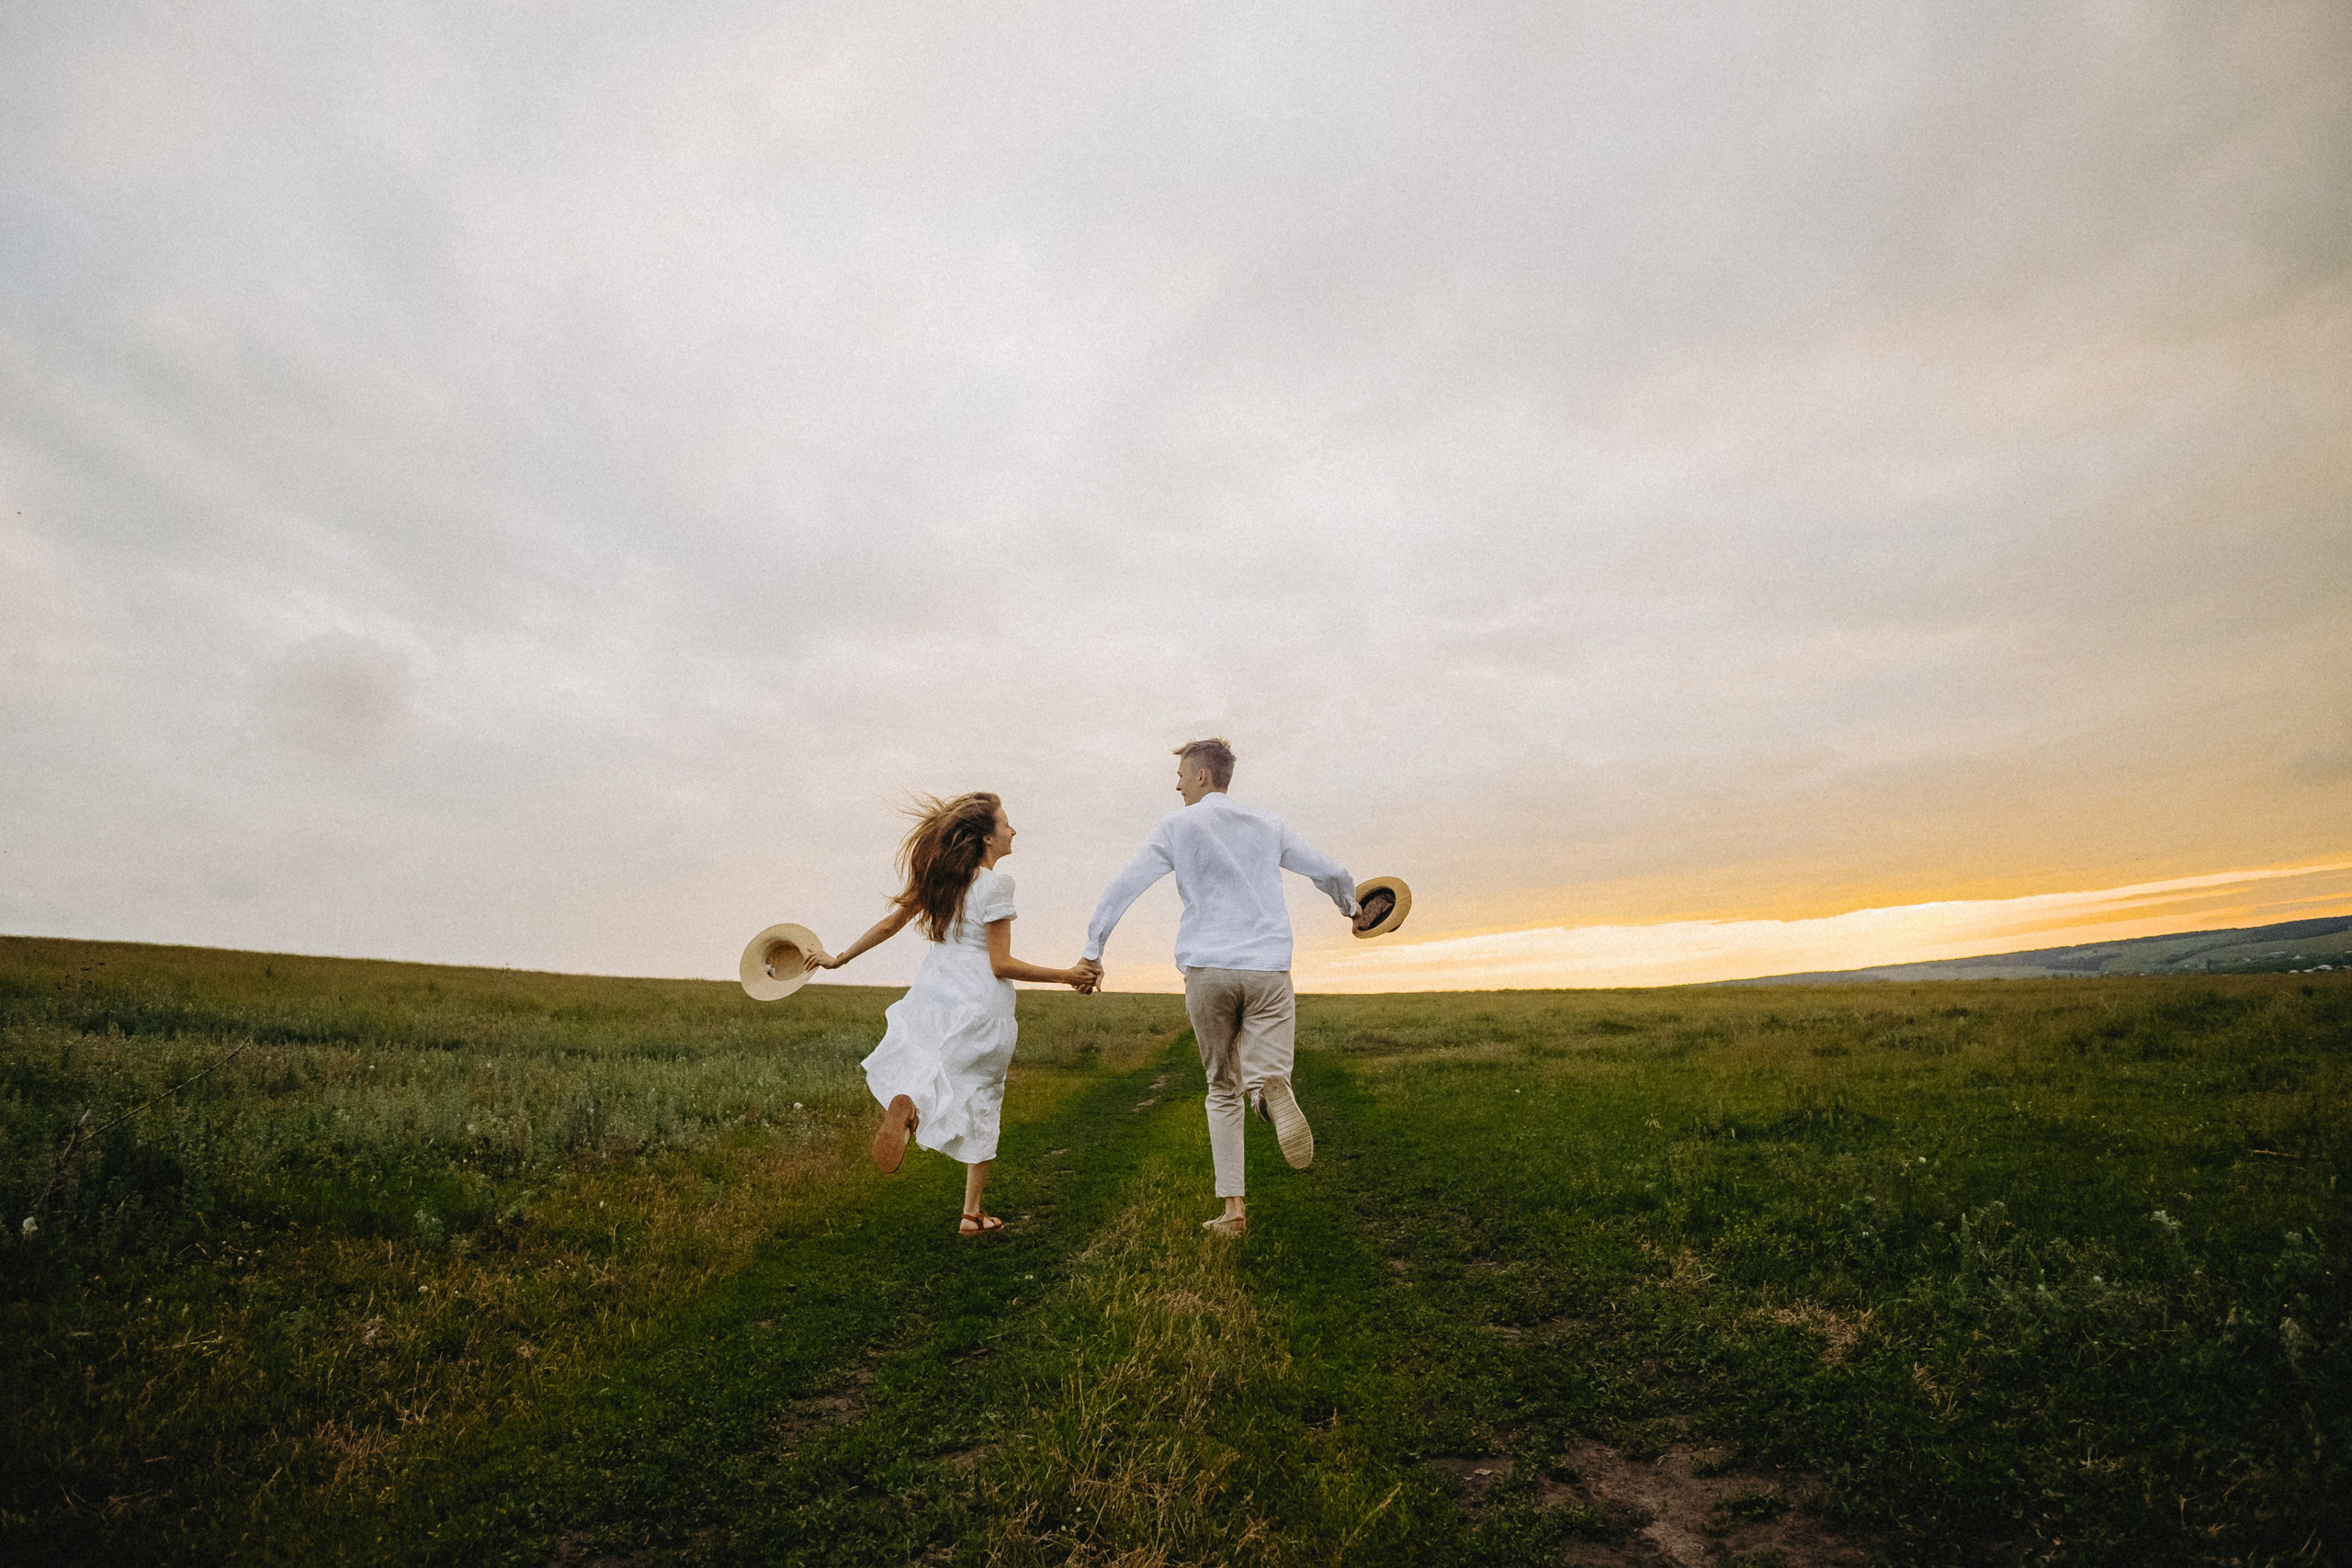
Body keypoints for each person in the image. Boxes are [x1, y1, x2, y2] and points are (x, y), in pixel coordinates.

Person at [1076, 739, 1380, 1236]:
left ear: (1201, 776)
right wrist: (1350, 907)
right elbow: (1331, 871)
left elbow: (1124, 884)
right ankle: (1267, 1095)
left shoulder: (1175, 827)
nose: (1175, 784)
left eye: (1180, 774)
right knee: (1263, 1076)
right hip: (1267, 969)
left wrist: (1094, 947)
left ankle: (1234, 1212)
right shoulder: (1267, 823)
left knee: (1221, 1088)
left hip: (1207, 970)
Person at [803, 792, 1096, 1235]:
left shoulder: (941, 880)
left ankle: (913, 1107)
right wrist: (1068, 975)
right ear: (985, 838)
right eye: (1006, 824)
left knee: (933, 1066)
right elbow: (1001, 964)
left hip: (935, 990)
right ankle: (971, 1213)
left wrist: (838, 959)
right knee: (983, 1097)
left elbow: (887, 925)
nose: (1013, 831)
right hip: (981, 1000)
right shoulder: (996, 885)